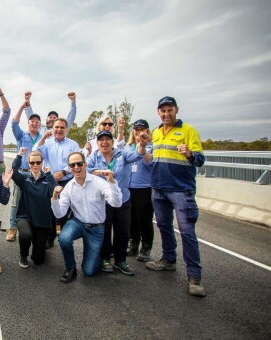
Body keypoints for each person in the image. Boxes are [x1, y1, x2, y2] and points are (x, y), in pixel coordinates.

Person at [146, 96, 206, 297]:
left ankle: (194, 276)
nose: (166, 113)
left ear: (176, 110)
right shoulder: (155, 133)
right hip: (159, 188)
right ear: (158, 112)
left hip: (180, 190)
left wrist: (190, 153)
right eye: (163, 110)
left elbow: (199, 160)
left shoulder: (188, 131)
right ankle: (168, 260)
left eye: (169, 110)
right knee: (164, 226)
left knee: (187, 231)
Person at [51, 152, 122, 283]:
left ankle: (95, 257)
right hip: (78, 222)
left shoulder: (99, 182)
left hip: (96, 229)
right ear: (69, 167)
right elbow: (60, 214)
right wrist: (55, 198)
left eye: (79, 164)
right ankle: (70, 268)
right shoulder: (69, 187)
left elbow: (116, 203)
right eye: (72, 165)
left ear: (85, 164)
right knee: (64, 238)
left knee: (89, 272)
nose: (76, 167)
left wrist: (112, 182)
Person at [87, 130, 148, 276]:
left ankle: (121, 261)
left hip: (122, 200)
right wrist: (101, 172)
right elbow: (87, 170)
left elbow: (138, 155)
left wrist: (142, 145)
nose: (104, 142)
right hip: (103, 202)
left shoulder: (122, 154)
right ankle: (105, 259)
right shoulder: (93, 156)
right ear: (98, 142)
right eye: (101, 140)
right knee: (105, 231)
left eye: (107, 139)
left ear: (112, 141)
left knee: (122, 232)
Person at [33, 118, 80, 248]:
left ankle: (64, 236)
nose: (59, 130)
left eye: (62, 127)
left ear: (67, 129)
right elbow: (36, 151)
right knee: (49, 210)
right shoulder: (47, 143)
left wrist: (63, 172)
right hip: (49, 181)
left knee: (64, 210)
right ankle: (50, 237)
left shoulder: (73, 144)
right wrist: (43, 137)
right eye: (56, 127)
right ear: (52, 129)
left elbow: (78, 161)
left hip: (67, 181)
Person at [11, 147, 57, 267]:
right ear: (28, 163)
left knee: (38, 260)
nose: (35, 165)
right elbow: (13, 172)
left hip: (42, 220)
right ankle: (23, 255)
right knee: (26, 235)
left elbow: (55, 192)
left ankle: (38, 250)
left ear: (42, 163)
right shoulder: (25, 178)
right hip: (24, 217)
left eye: (38, 162)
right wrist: (19, 156)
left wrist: (49, 175)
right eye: (32, 162)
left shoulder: (48, 178)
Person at [7, 98, 42, 242]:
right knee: (16, 201)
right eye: (31, 121)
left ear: (40, 125)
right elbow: (14, 123)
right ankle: (12, 228)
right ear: (28, 123)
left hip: (37, 173)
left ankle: (32, 227)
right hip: (22, 172)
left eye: (37, 122)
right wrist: (23, 106)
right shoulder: (22, 135)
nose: (34, 123)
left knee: (35, 201)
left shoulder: (43, 137)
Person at [126, 119, 154, 262]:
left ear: (147, 131)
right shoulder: (128, 146)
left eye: (142, 129)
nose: (139, 132)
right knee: (131, 218)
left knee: (144, 219)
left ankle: (146, 247)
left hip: (144, 188)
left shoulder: (152, 146)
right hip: (129, 187)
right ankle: (133, 243)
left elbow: (151, 163)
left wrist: (142, 147)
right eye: (136, 130)